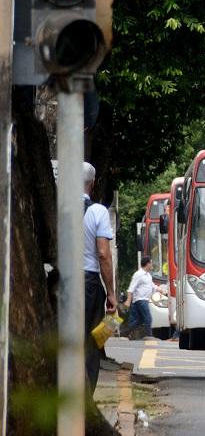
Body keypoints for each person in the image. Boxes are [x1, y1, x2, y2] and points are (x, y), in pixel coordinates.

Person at [83, 162, 116, 394]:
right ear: (92, 184)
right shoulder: (98, 211)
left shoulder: (55, 209)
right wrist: (111, 294)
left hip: (59, 281)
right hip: (89, 283)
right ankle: (85, 398)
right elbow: (103, 254)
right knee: (93, 341)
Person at [123, 257, 162, 338]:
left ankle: (125, 332)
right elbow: (131, 288)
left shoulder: (148, 275)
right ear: (147, 264)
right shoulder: (138, 274)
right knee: (148, 317)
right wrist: (128, 300)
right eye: (151, 263)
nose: (152, 265)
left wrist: (160, 289)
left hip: (144, 300)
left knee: (139, 320)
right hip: (140, 300)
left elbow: (152, 285)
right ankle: (149, 336)